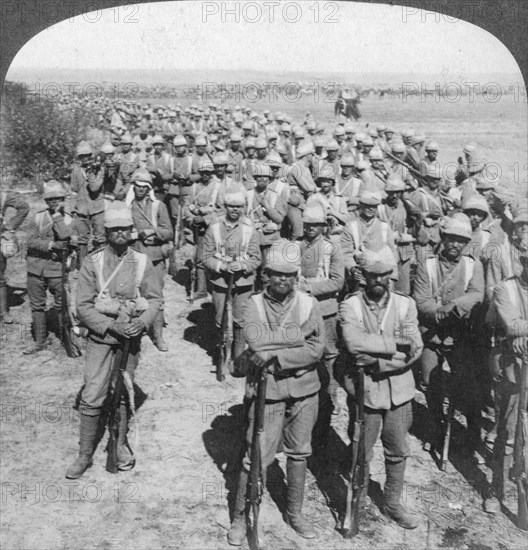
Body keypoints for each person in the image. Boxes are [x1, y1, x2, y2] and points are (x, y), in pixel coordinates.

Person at [227, 238, 325, 545]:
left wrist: (277, 354)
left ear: (296, 277)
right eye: (275, 273)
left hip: (305, 389)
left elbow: (317, 349)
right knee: (255, 455)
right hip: (267, 391)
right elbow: (256, 344)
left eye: (288, 275)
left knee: (299, 452)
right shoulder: (251, 304)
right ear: (266, 274)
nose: (282, 279)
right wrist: (297, 336)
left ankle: (294, 512)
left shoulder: (310, 303)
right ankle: (241, 517)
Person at [66, 202, 162, 479]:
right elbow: (83, 306)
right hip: (102, 338)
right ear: (106, 232)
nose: (120, 234)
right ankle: (84, 453)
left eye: (125, 229)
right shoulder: (92, 262)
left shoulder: (143, 261)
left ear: (132, 232)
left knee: (123, 392)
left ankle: (118, 444)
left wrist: (141, 323)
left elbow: (154, 298)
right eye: (114, 230)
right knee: (93, 392)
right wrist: (110, 325)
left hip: (130, 340)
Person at [339, 245, 423, 529]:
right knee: (361, 451)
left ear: (391, 275)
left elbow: (414, 348)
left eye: (383, 275)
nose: (378, 281)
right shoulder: (350, 305)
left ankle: (392, 503)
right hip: (366, 393)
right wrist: (393, 346)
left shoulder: (405, 304)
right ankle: (357, 503)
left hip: (399, 391)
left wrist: (378, 363)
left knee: (398, 450)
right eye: (372, 275)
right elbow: (353, 344)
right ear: (362, 275)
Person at [413, 214, 485, 458]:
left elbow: (477, 294)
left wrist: (453, 306)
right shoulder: (427, 265)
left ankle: (471, 435)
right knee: (430, 383)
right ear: (443, 238)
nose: (455, 245)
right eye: (451, 239)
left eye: (461, 241)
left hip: (460, 337)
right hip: (432, 335)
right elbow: (421, 301)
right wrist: (439, 313)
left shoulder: (473, 266)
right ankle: (435, 428)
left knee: (466, 384)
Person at [483, 247, 528, 514]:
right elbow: (511, 325)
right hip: (511, 369)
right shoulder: (505, 289)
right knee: (507, 432)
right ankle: (497, 488)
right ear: (523, 262)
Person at [203, 192, 262, 365]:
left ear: (243, 208)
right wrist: (222, 266)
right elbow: (205, 257)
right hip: (221, 280)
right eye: (231, 206)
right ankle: (220, 352)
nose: (235, 210)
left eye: (239, 207)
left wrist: (243, 266)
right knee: (219, 318)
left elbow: (256, 258)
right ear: (225, 208)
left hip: (243, 282)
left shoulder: (250, 229)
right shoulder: (214, 228)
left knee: (240, 320)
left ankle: (237, 357)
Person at [24, 180, 74, 354]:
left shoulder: (68, 219)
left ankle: (65, 337)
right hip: (36, 267)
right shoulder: (37, 217)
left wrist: (58, 216)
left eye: (59, 199)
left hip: (56, 269)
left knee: (61, 305)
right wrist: (52, 245)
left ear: (64, 199)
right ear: (46, 201)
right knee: (37, 306)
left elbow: (65, 235)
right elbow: (30, 241)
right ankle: (40, 341)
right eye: (51, 200)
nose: (55, 202)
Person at [129, 169, 173, 351]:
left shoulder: (158, 206)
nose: (140, 190)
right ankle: (134, 329)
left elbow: (169, 231)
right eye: (137, 186)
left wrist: (153, 232)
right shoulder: (127, 206)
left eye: (144, 187)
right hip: (134, 254)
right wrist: (136, 234)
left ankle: (158, 337)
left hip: (154, 256)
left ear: (149, 189)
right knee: (132, 295)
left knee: (156, 297)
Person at [0, 188, 29, 323]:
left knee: (0, 278)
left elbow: (24, 207)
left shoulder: (3, 195)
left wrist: (10, 226)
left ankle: (4, 311)